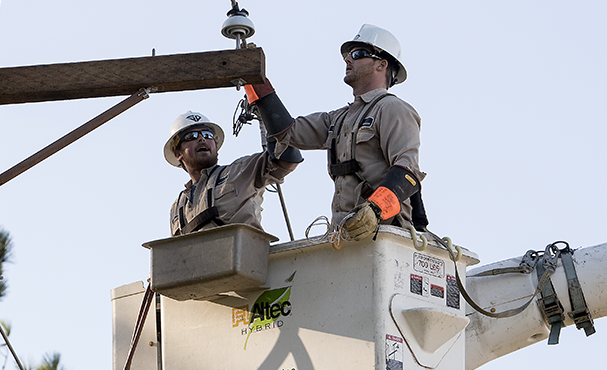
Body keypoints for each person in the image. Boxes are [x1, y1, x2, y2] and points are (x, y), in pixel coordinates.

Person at [247, 24, 426, 241]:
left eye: (358, 54)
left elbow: (408, 172)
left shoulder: (392, 109)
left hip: (386, 236)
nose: (347, 60)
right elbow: (287, 131)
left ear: (382, 64)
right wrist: (254, 79)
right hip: (344, 235)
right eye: (348, 56)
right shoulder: (338, 119)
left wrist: (376, 210)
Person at [165, 111, 302, 236]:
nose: (202, 139)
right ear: (178, 153)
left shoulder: (240, 171)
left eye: (208, 135)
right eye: (192, 136)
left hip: (242, 259)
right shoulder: (177, 208)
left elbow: (287, 158)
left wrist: (269, 111)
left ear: (216, 147)